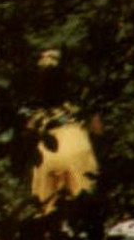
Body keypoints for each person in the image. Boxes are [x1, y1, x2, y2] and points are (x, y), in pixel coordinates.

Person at [26, 48, 101, 208]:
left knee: (45, 209)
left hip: (47, 150)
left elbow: (29, 128)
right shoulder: (82, 90)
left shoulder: (33, 96)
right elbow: (97, 129)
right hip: (77, 143)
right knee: (85, 204)